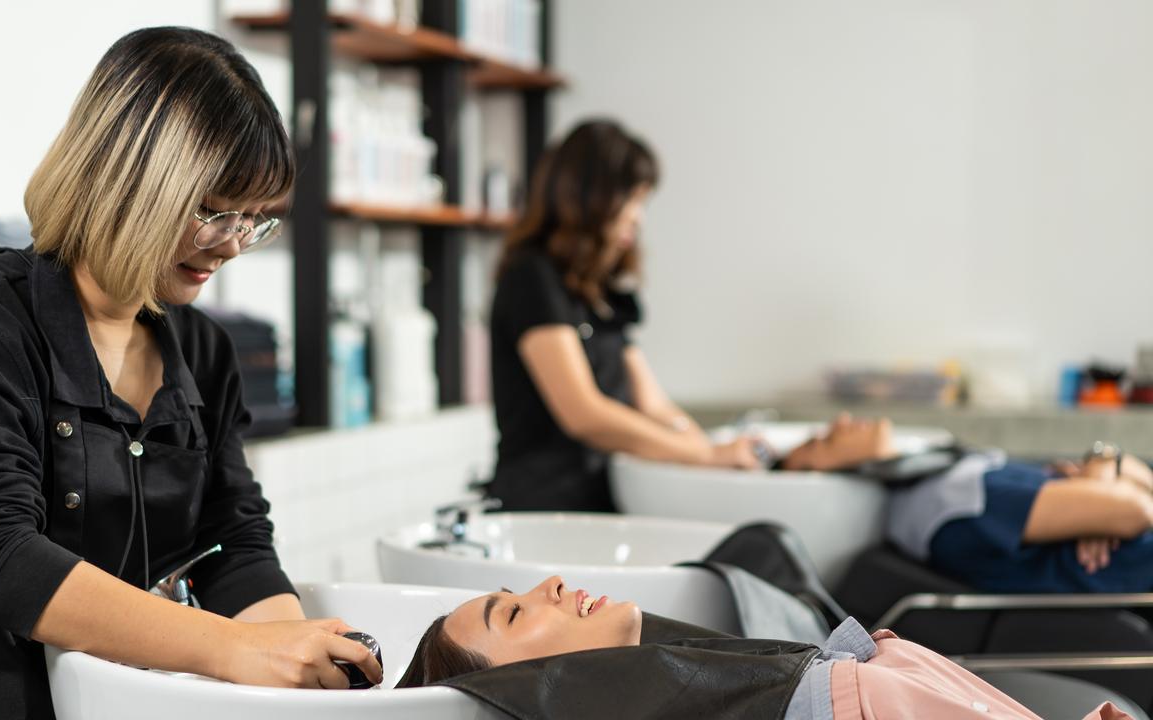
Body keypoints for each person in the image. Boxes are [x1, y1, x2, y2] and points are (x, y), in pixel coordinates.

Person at [0, 27, 381, 718]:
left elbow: (229, 540)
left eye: (255, 220)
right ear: (127, 181)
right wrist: (234, 649)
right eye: (212, 211)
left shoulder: (203, 349)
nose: (233, 246)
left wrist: (305, 671)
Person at [487, 119, 764, 513]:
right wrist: (701, 456)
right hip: (545, 504)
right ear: (588, 197)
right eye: (630, 201)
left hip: (604, 496)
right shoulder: (532, 279)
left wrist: (709, 447)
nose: (638, 219)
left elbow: (654, 405)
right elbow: (584, 413)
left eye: (642, 203)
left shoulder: (600, 292)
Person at [401, 575, 1133, 720]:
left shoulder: (816, 687)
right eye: (514, 613)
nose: (551, 582)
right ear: (531, 688)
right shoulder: (845, 701)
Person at [767, 414, 1153, 593]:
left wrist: (1102, 472)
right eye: (818, 442)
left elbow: (1133, 487)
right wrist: (1105, 472)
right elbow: (1137, 510)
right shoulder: (946, 499)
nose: (840, 421)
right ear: (816, 476)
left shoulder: (941, 473)